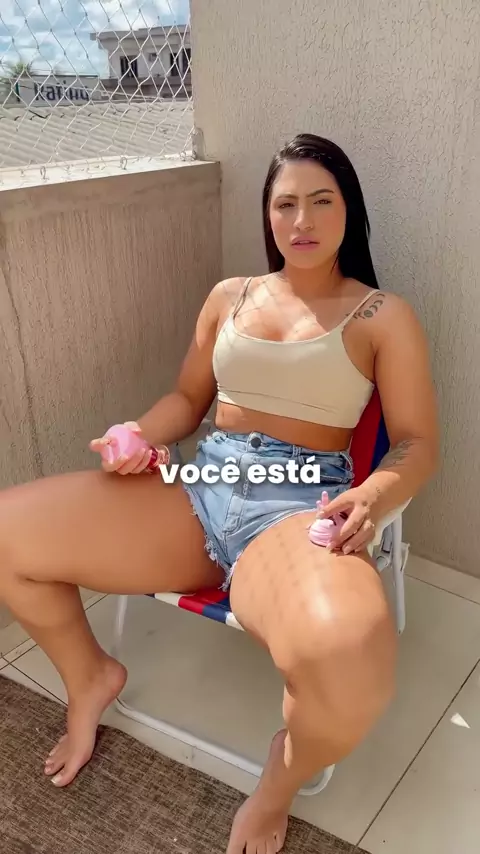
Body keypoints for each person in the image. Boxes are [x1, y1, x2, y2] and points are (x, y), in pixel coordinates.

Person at [0, 133, 438, 854]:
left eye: (321, 202)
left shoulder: (380, 315)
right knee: (10, 535)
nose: (302, 220)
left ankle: (278, 784)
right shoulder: (229, 296)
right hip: (199, 485)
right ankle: (91, 680)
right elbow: (186, 399)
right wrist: (138, 433)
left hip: (296, 506)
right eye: (285, 204)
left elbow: (417, 443)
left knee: (353, 667)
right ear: (267, 215)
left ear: (349, 212)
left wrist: (376, 494)